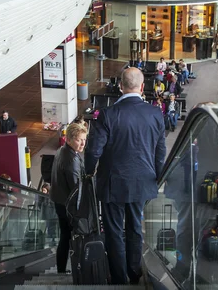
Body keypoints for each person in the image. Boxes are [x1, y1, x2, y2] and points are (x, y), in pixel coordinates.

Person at [85, 68, 166, 285]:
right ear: (142, 87)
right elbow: (160, 153)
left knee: (113, 231)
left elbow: (93, 151)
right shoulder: (155, 114)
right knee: (135, 228)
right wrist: (158, 177)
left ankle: (119, 277)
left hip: (113, 184)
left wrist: (88, 171)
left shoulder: (107, 115)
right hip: (143, 182)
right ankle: (134, 272)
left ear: (120, 86)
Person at [50, 123, 88, 273]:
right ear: (70, 139)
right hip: (68, 206)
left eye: (84, 139)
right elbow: (76, 188)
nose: (83, 143)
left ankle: (61, 269)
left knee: (64, 236)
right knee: (75, 237)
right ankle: (79, 269)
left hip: (59, 201)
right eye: (80, 140)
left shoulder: (62, 150)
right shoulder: (71, 159)